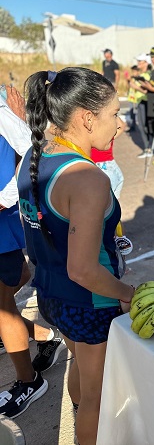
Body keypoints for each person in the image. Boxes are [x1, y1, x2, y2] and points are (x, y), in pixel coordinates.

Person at [17, 67, 135, 444]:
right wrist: (128, 293)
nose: (119, 125)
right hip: (89, 302)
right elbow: (84, 269)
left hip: (51, 296)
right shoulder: (87, 178)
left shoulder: (34, 156)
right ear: (87, 118)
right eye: (114, 114)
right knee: (97, 403)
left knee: (81, 374)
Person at [0, 86, 66, 419]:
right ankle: (42, 335)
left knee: (1, 302)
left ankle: (28, 381)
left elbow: (31, 152)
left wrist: (4, 197)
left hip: (2, 218)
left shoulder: (1, 110)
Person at [129, 54, 153, 157]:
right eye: (138, 61)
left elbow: (147, 90)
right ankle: (147, 148)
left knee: (144, 126)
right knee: (142, 125)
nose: (138, 63)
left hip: (145, 102)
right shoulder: (141, 74)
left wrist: (135, 86)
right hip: (139, 102)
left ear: (146, 63)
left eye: (140, 61)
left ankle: (149, 148)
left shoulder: (147, 75)